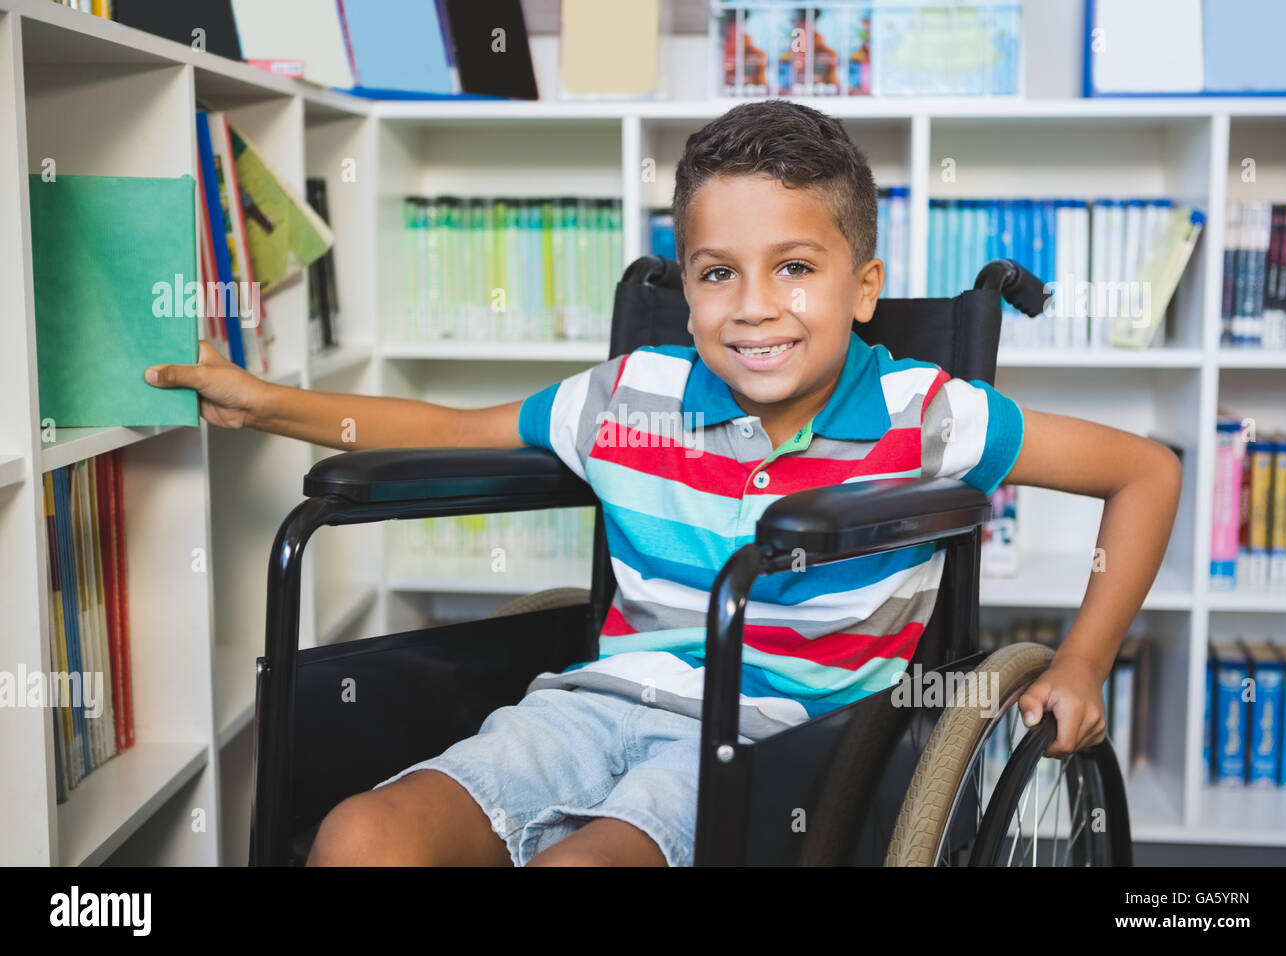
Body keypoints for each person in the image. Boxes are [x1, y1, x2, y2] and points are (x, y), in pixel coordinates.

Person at [144, 99, 1181, 867]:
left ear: (863, 287)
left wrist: (1084, 662)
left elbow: (1143, 472)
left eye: (795, 266)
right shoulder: (632, 394)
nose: (753, 304)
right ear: (682, 291)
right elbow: (450, 428)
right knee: (358, 834)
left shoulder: (928, 413)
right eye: (717, 270)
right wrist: (264, 400)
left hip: (781, 729)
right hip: (597, 701)